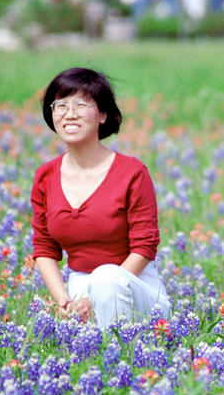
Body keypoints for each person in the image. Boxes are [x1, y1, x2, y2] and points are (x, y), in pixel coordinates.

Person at [30, 67, 170, 328]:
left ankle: (122, 358)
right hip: (78, 287)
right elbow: (45, 248)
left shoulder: (132, 173)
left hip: (135, 285)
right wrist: (64, 302)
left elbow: (145, 246)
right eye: (60, 105)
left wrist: (98, 295)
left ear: (103, 114)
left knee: (107, 279)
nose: (69, 113)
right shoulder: (45, 177)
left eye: (81, 105)